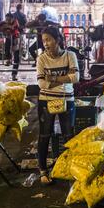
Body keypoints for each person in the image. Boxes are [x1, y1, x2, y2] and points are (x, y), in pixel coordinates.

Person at [36, 26, 79, 185]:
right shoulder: (41, 59)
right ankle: (43, 171)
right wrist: (64, 78)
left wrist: (53, 79)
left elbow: (76, 77)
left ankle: (71, 169)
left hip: (67, 100)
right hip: (46, 101)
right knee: (44, 135)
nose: (45, 44)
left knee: (69, 136)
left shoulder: (70, 55)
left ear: (58, 40)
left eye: (48, 40)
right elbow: (41, 83)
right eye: (43, 40)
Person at [0, 13, 20, 80]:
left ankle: (14, 74)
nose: (7, 21)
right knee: (6, 50)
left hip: (16, 39)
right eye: (6, 19)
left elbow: (13, 27)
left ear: (12, 18)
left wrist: (3, 28)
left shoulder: (15, 22)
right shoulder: (4, 22)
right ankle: (9, 60)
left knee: (16, 58)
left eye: (9, 19)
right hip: (9, 38)